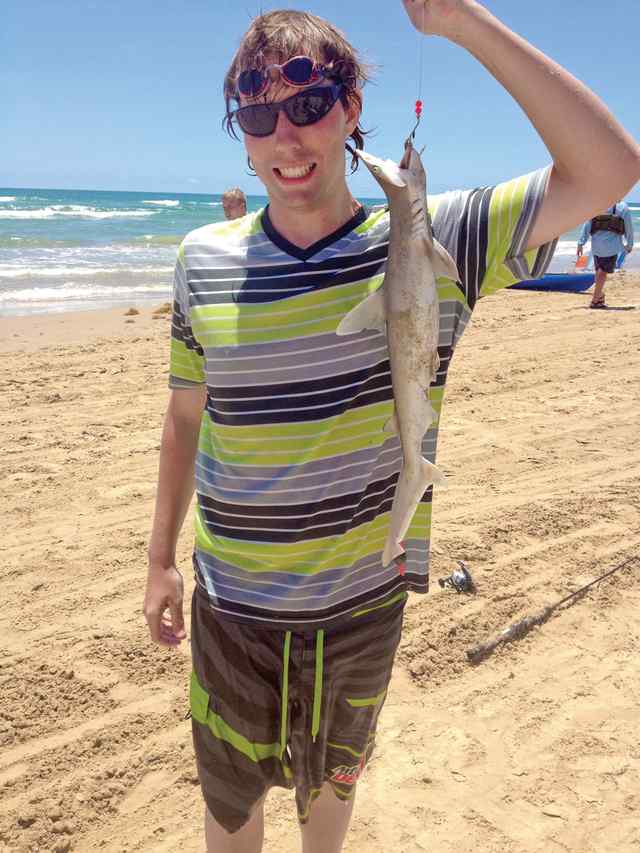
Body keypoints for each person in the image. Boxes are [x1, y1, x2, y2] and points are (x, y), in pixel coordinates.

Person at [144, 2, 640, 851]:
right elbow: (186, 416)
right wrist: (158, 559)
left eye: (307, 107)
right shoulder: (202, 259)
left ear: (351, 110)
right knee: (229, 811)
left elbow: (607, 169)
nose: (286, 139)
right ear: (242, 134)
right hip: (232, 605)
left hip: (363, 602)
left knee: (330, 796)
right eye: (259, 117)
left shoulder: (437, 236)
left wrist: (463, 23)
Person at [577, 200, 634, 307]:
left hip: (596, 246)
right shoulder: (622, 207)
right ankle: (595, 299)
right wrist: (629, 244)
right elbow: (628, 227)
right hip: (611, 246)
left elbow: (587, 224)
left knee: (599, 270)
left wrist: (581, 242)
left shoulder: (597, 204)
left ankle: (599, 297)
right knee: (602, 271)